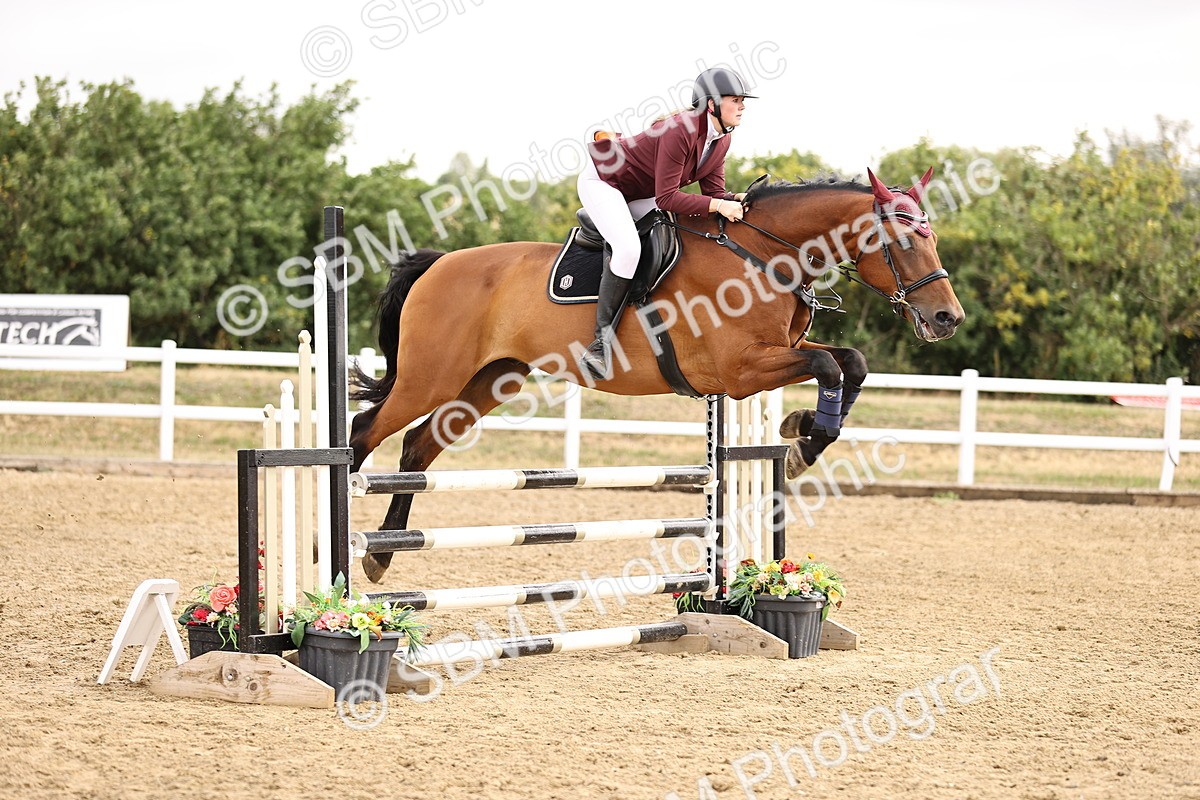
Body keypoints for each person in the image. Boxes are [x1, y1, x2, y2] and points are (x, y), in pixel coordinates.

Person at [576, 67, 755, 380]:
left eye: (743, 101)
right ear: (711, 104)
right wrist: (720, 205)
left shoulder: (722, 140)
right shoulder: (679, 129)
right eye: (736, 100)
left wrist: (739, 198)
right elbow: (668, 199)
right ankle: (599, 345)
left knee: (672, 234)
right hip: (605, 183)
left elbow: (713, 195)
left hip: (640, 192)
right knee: (629, 249)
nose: (742, 106)